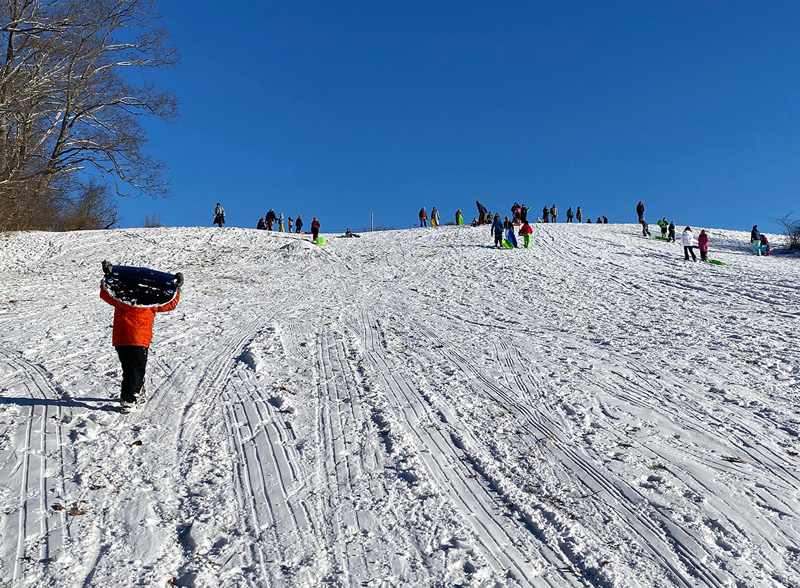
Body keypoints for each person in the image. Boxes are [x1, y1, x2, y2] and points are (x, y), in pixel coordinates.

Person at [100, 261, 182, 413]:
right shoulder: (150, 302)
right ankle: (129, 400)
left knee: (129, 369)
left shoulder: (120, 299)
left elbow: (105, 292)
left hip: (121, 340)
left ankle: (136, 394)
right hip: (139, 340)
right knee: (136, 369)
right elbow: (169, 304)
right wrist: (176, 290)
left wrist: (107, 276)